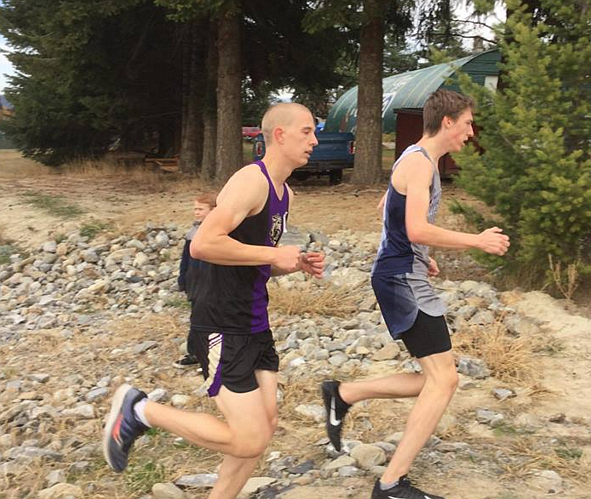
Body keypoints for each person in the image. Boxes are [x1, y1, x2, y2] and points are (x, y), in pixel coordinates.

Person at [103, 102, 325, 499]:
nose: (315, 140)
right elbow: (205, 243)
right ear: (279, 135)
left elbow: (249, 257)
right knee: (249, 440)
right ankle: (139, 410)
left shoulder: (284, 193)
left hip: (255, 320)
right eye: (307, 131)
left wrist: (290, 264)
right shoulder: (250, 181)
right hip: (222, 322)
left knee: (265, 426)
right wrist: (274, 254)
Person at [321, 89, 510, 499]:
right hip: (401, 281)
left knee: (438, 377)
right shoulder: (420, 164)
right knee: (443, 380)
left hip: (404, 273)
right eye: (467, 123)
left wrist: (420, 255)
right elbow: (415, 228)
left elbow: (386, 207)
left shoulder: (415, 158)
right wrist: (476, 241)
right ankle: (389, 484)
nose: (470, 132)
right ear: (447, 122)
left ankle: (343, 393)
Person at [173, 193, 217, 370]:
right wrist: (183, 279)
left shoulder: (219, 232)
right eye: (195, 209)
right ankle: (195, 354)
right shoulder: (193, 231)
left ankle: (212, 358)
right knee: (196, 319)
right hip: (195, 283)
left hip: (212, 284)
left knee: (213, 320)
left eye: (200, 209)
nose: (196, 212)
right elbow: (186, 258)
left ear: (213, 211)